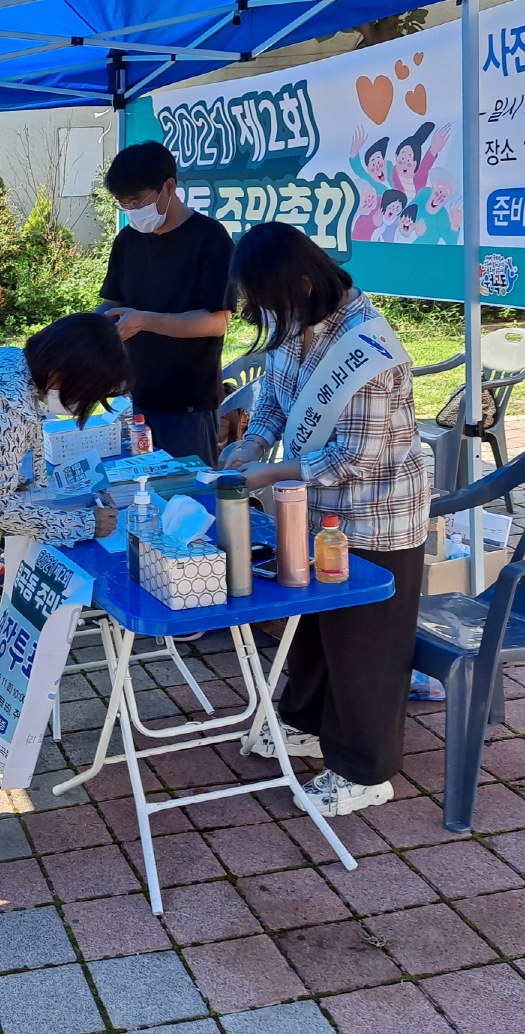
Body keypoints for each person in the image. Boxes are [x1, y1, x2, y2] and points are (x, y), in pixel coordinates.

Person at [220, 221, 427, 818]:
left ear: (304, 282)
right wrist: (252, 447)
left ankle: (366, 770)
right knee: (312, 624)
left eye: (269, 302)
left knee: (367, 643)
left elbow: (354, 457)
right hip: (315, 510)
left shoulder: (368, 345)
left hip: (376, 513)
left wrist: (265, 477)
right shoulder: (296, 323)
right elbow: (276, 402)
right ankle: (305, 723)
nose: (267, 317)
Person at [0, 313, 130, 785]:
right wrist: (82, 520)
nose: (82, 405)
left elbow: (15, 464)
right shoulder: (6, 406)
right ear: (62, 374)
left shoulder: (11, 363)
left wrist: (45, 492)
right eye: (85, 392)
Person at [98, 140, 234, 466]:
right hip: (138, 393)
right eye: (123, 203)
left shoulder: (211, 238)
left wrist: (145, 320)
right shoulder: (128, 240)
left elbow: (217, 322)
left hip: (190, 402)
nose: (131, 210)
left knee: (190, 500)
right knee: (145, 494)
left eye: (137, 200)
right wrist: (87, 331)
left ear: (169, 186)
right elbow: (110, 304)